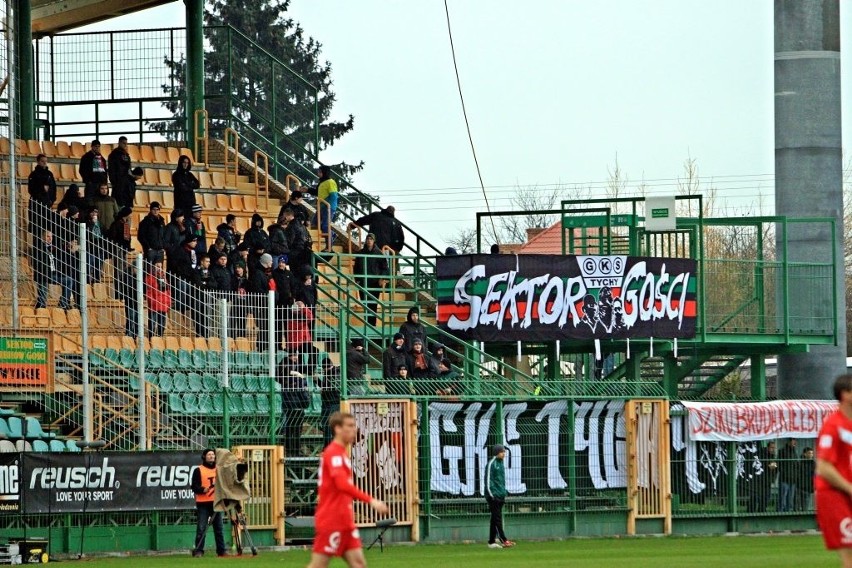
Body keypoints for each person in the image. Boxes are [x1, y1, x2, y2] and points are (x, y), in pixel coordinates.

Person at [308, 411, 389, 568]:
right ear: (338, 429)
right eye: (350, 426)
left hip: (345, 521)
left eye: (355, 426)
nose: (354, 430)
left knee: (359, 564)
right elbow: (342, 485)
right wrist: (371, 500)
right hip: (332, 520)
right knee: (318, 565)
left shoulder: (341, 453)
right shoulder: (333, 453)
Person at [816, 375, 852, 565]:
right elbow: (824, 467)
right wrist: (849, 488)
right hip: (835, 495)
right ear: (845, 394)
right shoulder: (832, 426)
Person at [191, 448, 227, 557]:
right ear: (204, 457)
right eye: (209, 454)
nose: (211, 456)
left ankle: (221, 551)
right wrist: (203, 489)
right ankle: (199, 551)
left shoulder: (219, 470)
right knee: (201, 528)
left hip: (216, 503)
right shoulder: (198, 470)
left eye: (213, 454)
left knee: (219, 528)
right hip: (203, 503)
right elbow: (194, 486)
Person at [32, 230, 73, 310]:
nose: (50, 239)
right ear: (42, 237)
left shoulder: (55, 248)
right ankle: (41, 306)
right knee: (43, 281)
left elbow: (64, 257)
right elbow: (38, 262)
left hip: (54, 274)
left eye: (51, 237)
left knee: (69, 280)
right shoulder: (38, 247)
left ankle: (63, 304)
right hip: (43, 274)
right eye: (48, 236)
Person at [353, 233, 388, 326]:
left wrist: (382, 278)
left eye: (371, 239)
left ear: (374, 241)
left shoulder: (379, 253)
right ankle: (367, 326)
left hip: (374, 284)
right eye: (368, 239)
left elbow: (385, 268)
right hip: (363, 283)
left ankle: (372, 326)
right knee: (365, 305)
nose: (369, 241)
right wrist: (357, 279)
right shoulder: (360, 253)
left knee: (373, 306)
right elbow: (356, 267)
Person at [279, 352, 309, 457]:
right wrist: (301, 378)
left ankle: (290, 450)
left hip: (288, 404)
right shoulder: (296, 379)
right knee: (296, 429)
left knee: (290, 428)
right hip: (296, 406)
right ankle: (295, 450)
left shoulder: (284, 380)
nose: (296, 358)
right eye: (294, 356)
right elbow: (303, 391)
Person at [485, 445, 515, 549]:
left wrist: (503, 493)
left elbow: (501, 481)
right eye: (502, 452)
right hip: (493, 496)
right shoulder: (491, 463)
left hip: (500, 495)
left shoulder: (501, 463)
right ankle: (504, 540)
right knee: (497, 519)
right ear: (497, 452)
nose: (504, 454)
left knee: (494, 519)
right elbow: (488, 481)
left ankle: (491, 542)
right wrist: (492, 495)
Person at [27, 154, 57, 238]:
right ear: (38, 162)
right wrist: (42, 188)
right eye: (42, 161)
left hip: (47, 205)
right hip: (36, 205)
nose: (44, 163)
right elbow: (31, 190)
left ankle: (46, 248)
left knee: (47, 228)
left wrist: (52, 200)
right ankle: (37, 249)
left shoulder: (49, 174)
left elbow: (54, 188)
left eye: (46, 161)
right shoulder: (33, 175)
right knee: (37, 229)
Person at [313, 164, 338, 251]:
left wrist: (328, 205)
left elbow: (334, 196)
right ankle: (332, 234)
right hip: (321, 206)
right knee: (315, 223)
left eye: (320, 172)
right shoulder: (321, 182)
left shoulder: (330, 182)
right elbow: (317, 192)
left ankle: (329, 246)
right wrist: (307, 190)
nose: (318, 173)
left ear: (324, 172)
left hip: (328, 207)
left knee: (325, 225)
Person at [748, 441, 777, 513]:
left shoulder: (772, 456)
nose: (773, 449)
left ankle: (762, 511)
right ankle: (751, 511)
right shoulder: (762, 454)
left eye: (774, 448)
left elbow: (774, 467)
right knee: (754, 496)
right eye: (771, 448)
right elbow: (766, 464)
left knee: (766, 497)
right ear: (768, 447)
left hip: (767, 480)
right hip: (758, 479)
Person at [317, 358, 341, 446]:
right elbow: (325, 386)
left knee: (328, 425)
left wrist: (324, 389)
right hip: (327, 402)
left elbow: (331, 388)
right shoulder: (329, 373)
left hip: (333, 402)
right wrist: (317, 381)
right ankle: (328, 446)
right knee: (326, 425)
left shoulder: (336, 373)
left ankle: (329, 446)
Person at [145, 259, 171, 336]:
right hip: (154, 305)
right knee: (152, 325)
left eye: (160, 266)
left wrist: (168, 302)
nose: (159, 268)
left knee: (161, 325)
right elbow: (148, 292)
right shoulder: (149, 277)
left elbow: (168, 291)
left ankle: (160, 339)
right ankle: (151, 340)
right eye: (157, 266)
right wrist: (152, 301)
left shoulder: (164, 277)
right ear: (153, 267)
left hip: (163, 305)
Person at [108, 136, 132, 205]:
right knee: (118, 202)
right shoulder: (113, 154)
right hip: (118, 182)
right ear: (119, 143)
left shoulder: (127, 155)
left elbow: (129, 168)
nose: (125, 145)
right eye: (123, 143)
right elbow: (111, 169)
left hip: (126, 182)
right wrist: (114, 181)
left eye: (126, 143)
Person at [777, 439, 798, 512]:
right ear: (788, 441)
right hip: (784, 478)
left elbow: (796, 465)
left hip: (793, 479)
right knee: (782, 498)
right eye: (793, 440)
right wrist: (785, 473)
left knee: (790, 499)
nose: (795, 442)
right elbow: (780, 464)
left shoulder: (794, 451)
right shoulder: (782, 451)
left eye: (795, 440)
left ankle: (788, 512)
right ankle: (780, 513)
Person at [797, 447, 815, 511]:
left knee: (805, 508)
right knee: (797, 507)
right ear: (805, 454)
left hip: (808, 488)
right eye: (809, 453)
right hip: (799, 487)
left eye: (812, 453)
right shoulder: (800, 463)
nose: (811, 455)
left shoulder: (813, 463)